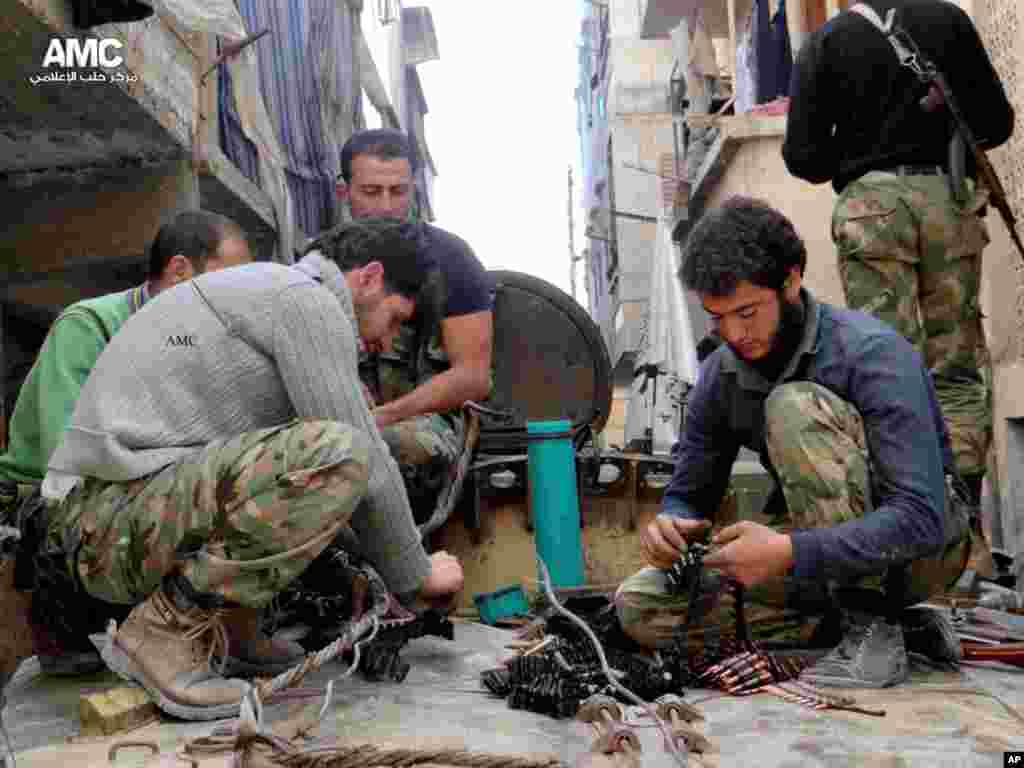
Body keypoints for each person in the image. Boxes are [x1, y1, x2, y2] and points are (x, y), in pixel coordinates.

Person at [15, 218, 464, 719]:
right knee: (338, 451)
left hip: (99, 525)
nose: (388, 339)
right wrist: (417, 575)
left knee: (309, 456)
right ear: (369, 278)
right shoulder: (305, 300)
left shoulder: (268, 292)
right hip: (96, 532)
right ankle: (162, 636)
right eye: (397, 319)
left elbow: (253, 484)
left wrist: (372, 561)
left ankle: (233, 631)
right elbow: (366, 465)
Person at [616, 197, 970, 688]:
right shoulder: (719, 376)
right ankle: (903, 629)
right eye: (716, 318)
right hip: (817, 553)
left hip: (924, 551)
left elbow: (922, 519)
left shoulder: (873, 354)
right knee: (641, 606)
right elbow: (690, 493)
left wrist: (788, 551)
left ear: (792, 280)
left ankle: (872, 627)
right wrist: (673, 522)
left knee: (790, 406)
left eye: (747, 312)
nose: (733, 334)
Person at [781, 0, 1014, 506]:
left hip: (871, 214)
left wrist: (865, 152)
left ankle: (905, 516)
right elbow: (995, 124)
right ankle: (964, 530)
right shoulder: (948, 20)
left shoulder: (827, 40)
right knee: (954, 369)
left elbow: (803, 157)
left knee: (887, 366)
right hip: (946, 203)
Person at [0, 210, 253, 675]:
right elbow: (71, 457)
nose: (237, 299)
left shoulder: (194, 341)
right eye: (228, 280)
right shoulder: (89, 326)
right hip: (47, 500)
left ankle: (213, 631)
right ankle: (82, 627)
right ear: (180, 271)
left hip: (126, 490)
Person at [332, 129, 493, 517]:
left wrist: (383, 417)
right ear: (344, 191)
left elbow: (473, 376)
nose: (387, 206)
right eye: (371, 192)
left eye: (399, 191)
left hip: (426, 423)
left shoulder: (452, 259)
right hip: (339, 418)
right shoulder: (323, 259)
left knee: (386, 447)